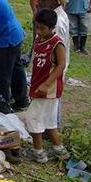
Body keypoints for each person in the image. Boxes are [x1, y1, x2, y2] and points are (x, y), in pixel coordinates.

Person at [25, 9, 70, 163]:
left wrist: (46, 84)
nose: (38, 31)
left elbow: (61, 65)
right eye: (36, 27)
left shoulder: (57, 43)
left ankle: (38, 152)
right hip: (38, 84)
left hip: (48, 89)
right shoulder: (39, 39)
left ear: (52, 28)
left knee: (33, 118)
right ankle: (60, 150)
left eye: (42, 28)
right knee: (49, 121)